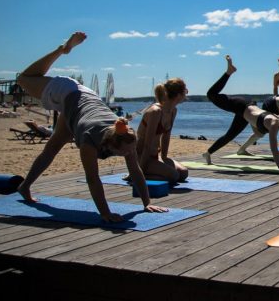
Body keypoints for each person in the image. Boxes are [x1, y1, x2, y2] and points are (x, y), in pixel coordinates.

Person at [15, 32, 167, 222]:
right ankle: (62, 49)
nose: (130, 153)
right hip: (66, 92)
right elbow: (93, 179)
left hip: (80, 105)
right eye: (126, 152)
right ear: (111, 146)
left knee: (52, 148)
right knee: (23, 78)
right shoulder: (89, 142)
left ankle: (24, 186)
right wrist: (105, 213)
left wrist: (147, 203)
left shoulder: (126, 136)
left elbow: (135, 170)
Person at [203, 55, 279, 172]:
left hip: (245, 113)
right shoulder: (274, 123)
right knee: (211, 95)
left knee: (230, 136)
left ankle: (207, 153)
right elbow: (274, 148)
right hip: (241, 105)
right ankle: (229, 72)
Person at [135, 78, 189, 182]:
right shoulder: (155, 112)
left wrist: (164, 158)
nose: (186, 94)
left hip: (155, 156)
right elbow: (147, 144)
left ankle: (150, 172)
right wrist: (140, 171)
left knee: (183, 173)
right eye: (185, 91)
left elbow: (166, 136)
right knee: (174, 176)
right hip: (141, 156)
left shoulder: (173, 111)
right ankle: (136, 174)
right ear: (178, 95)